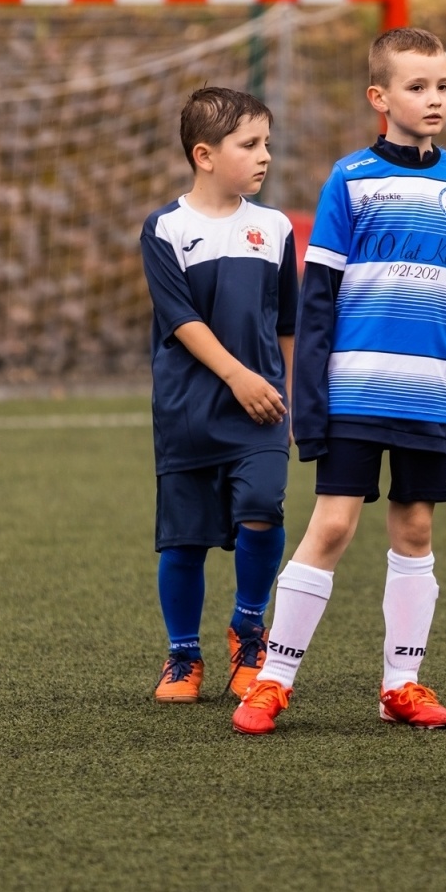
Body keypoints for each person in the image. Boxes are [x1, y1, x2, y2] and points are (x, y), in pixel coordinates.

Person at [231, 26, 446, 736]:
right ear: (379, 97)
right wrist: (311, 404)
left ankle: (402, 685)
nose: (434, 98)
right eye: (417, 87)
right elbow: (317, 299)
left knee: (415, 530)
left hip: (432, 396)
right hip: (355, 391)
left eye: (443, 85)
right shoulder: (350, 179)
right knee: (331, 526)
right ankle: (272, 681)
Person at [139, 87, 296, 704]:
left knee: (263, 507)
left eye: (267, 143)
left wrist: (290, 397)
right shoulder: (166, 229)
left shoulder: (276, 227)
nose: (265, 156)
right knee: (183, 539)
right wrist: (238, 376)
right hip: (188, 412)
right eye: (250, 144)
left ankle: (249, 629)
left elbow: (288, 323)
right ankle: (183, 656)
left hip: (263, 410)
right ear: (204, 155)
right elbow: (181, 321)